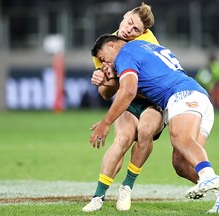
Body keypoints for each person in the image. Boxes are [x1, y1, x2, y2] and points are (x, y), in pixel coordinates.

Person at [89, 34, 219, 213]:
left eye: (102, 57)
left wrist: (106, 123)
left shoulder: (125, 54)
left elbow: (129, 91)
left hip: (182, 95)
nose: (103, 62)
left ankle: (208, 177)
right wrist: (110, 80)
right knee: (181, 164)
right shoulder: (145, 47)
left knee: (180, 139)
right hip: (197, 98)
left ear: (112, 46)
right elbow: (146, 83)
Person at [82, 3, 164, 212]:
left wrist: (112, 82)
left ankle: (127, 186)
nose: (129, 29)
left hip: (150, 100)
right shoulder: (105, 46)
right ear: (126, 15)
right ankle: (98, 196)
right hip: (127, 100)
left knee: (145, 131)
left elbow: (142, 82)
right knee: (123, 139)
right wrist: (102, 79)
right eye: (129, 23)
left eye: (136, 29)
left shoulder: (147, 42)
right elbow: (105, 94)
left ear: (143, 32)